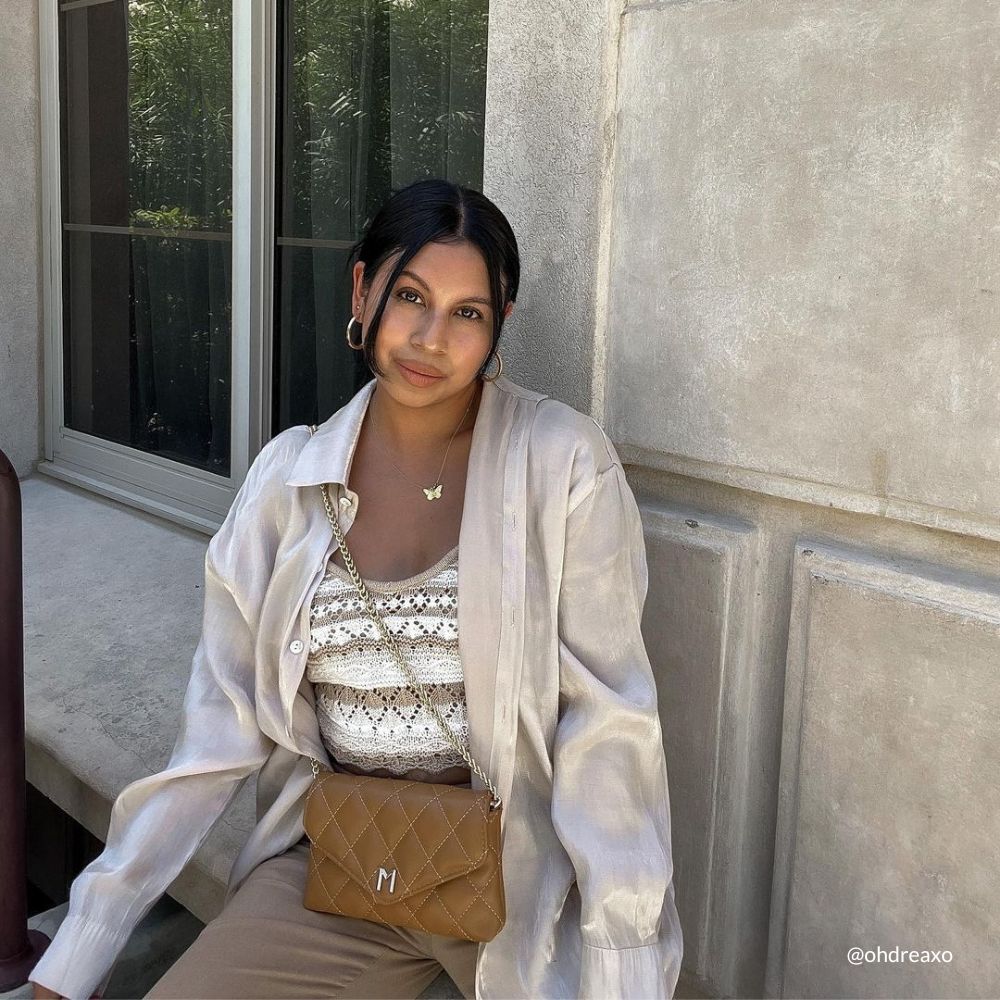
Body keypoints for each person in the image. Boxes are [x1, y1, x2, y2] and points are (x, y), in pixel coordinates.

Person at [30, 178, 683, 1000]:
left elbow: (610, 726)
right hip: (342, 866)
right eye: (409, 295)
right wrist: (79, 950)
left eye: (467, 312)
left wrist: (623, 965)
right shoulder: (287, 479)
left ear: (499, 324)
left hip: (514, 877)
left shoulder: (562, 464)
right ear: (361, 287)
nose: (429, 337)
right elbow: (216, 732)